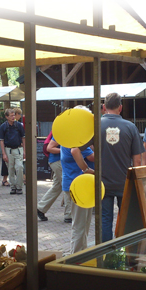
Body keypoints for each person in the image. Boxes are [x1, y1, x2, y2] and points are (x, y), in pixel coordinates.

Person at [100, 93, 145, 242]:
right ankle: (127, 254)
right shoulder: (130, 127)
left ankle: (104, 255)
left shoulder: (95, 125)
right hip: (124, 182)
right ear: (120, 107)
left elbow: (76, 150)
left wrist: (86, 169)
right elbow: (137, 161)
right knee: (127, 219)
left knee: (105, 220)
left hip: (102, 183)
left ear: (104, 107)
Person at [62, 106, 96, 253]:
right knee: (80, 225)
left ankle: (81, 253)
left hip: (73, 182)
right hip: (78, 185)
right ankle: (74, 256)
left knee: (84, 223)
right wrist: (86, 169)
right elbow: (77, 151)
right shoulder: (77, 137)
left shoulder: (67, 134)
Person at [37, 133, 72, 223]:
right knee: (68, 185)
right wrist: (65, 150)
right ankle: (69, 215)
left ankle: (40, 208)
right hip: (58, 161)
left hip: (58, 161)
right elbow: (50, 148)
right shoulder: (61, 132)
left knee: (57, 187)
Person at [0, 108, 25, 195]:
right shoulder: (3, 126)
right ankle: (13, 187)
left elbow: (23, 138)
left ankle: (19, 186)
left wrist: (24, 150)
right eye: (11, 116)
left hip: (18, 149)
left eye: (14, 115)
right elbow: (1, 140)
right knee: (10, 169)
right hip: (8, 150)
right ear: (6, 117)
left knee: (20, 167)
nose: (13, 117)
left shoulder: (19, 125)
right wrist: (4, 153)